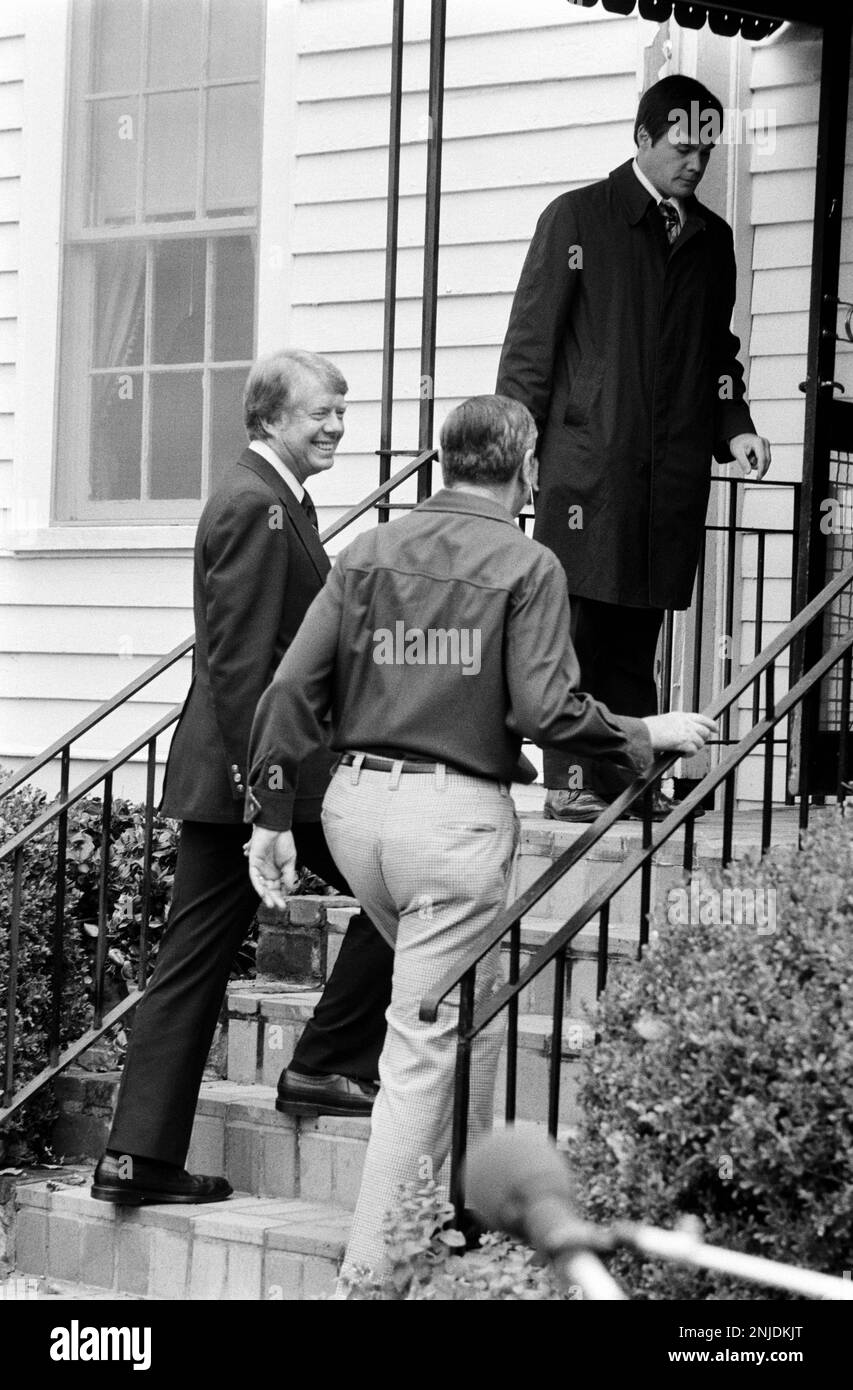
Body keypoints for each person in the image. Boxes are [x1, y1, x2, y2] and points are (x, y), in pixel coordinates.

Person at [244, 394, 715, 1278]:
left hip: (354, 813)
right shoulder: (528, 563)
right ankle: (369, 1279)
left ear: (445, 459)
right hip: (449, 827)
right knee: (423, 1045)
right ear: (527, 467)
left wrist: (270, 815)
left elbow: (289, 689)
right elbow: (545, 709)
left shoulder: (370, 550)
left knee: (478, 1009)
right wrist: (643, 733)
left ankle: (462, 1220)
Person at [92, 349, 393, 1206]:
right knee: (402, 888)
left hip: (252, 773)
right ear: (268, 418)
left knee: (192, 962)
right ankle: (326, 1061)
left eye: (340, 411)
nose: (335, 426)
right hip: (261, 776)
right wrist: (268, 801)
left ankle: (136, 1158)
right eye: (319, 413)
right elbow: (244, 670)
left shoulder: (271, 499)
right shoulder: (256, 506)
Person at [496, 74, 771, 822]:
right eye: (682, 146)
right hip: (587, 471)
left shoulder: (711, 240)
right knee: (578, 632)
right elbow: (529, 350)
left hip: (668, 473)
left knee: (635, 633)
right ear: (643, 138)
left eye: (706, 148)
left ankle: (625, 781)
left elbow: (717, 352)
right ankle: (571, 784)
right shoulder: (577, 218)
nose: (696, 161)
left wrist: (735, 424)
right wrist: (514, 458)